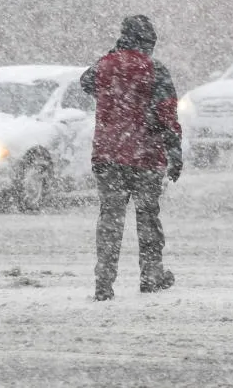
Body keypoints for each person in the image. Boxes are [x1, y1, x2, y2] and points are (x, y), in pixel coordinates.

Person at [80, 15, 183, 302]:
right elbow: (167, 115)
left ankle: (103, 281)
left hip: (107, 155)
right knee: (148, 217)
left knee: (110, 218)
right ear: (148, 42)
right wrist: (175, 152)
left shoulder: (104, 67)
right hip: (146, 156)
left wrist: (113, 56)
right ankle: (151, 275)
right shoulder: (155, 70)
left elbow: (85, 82)